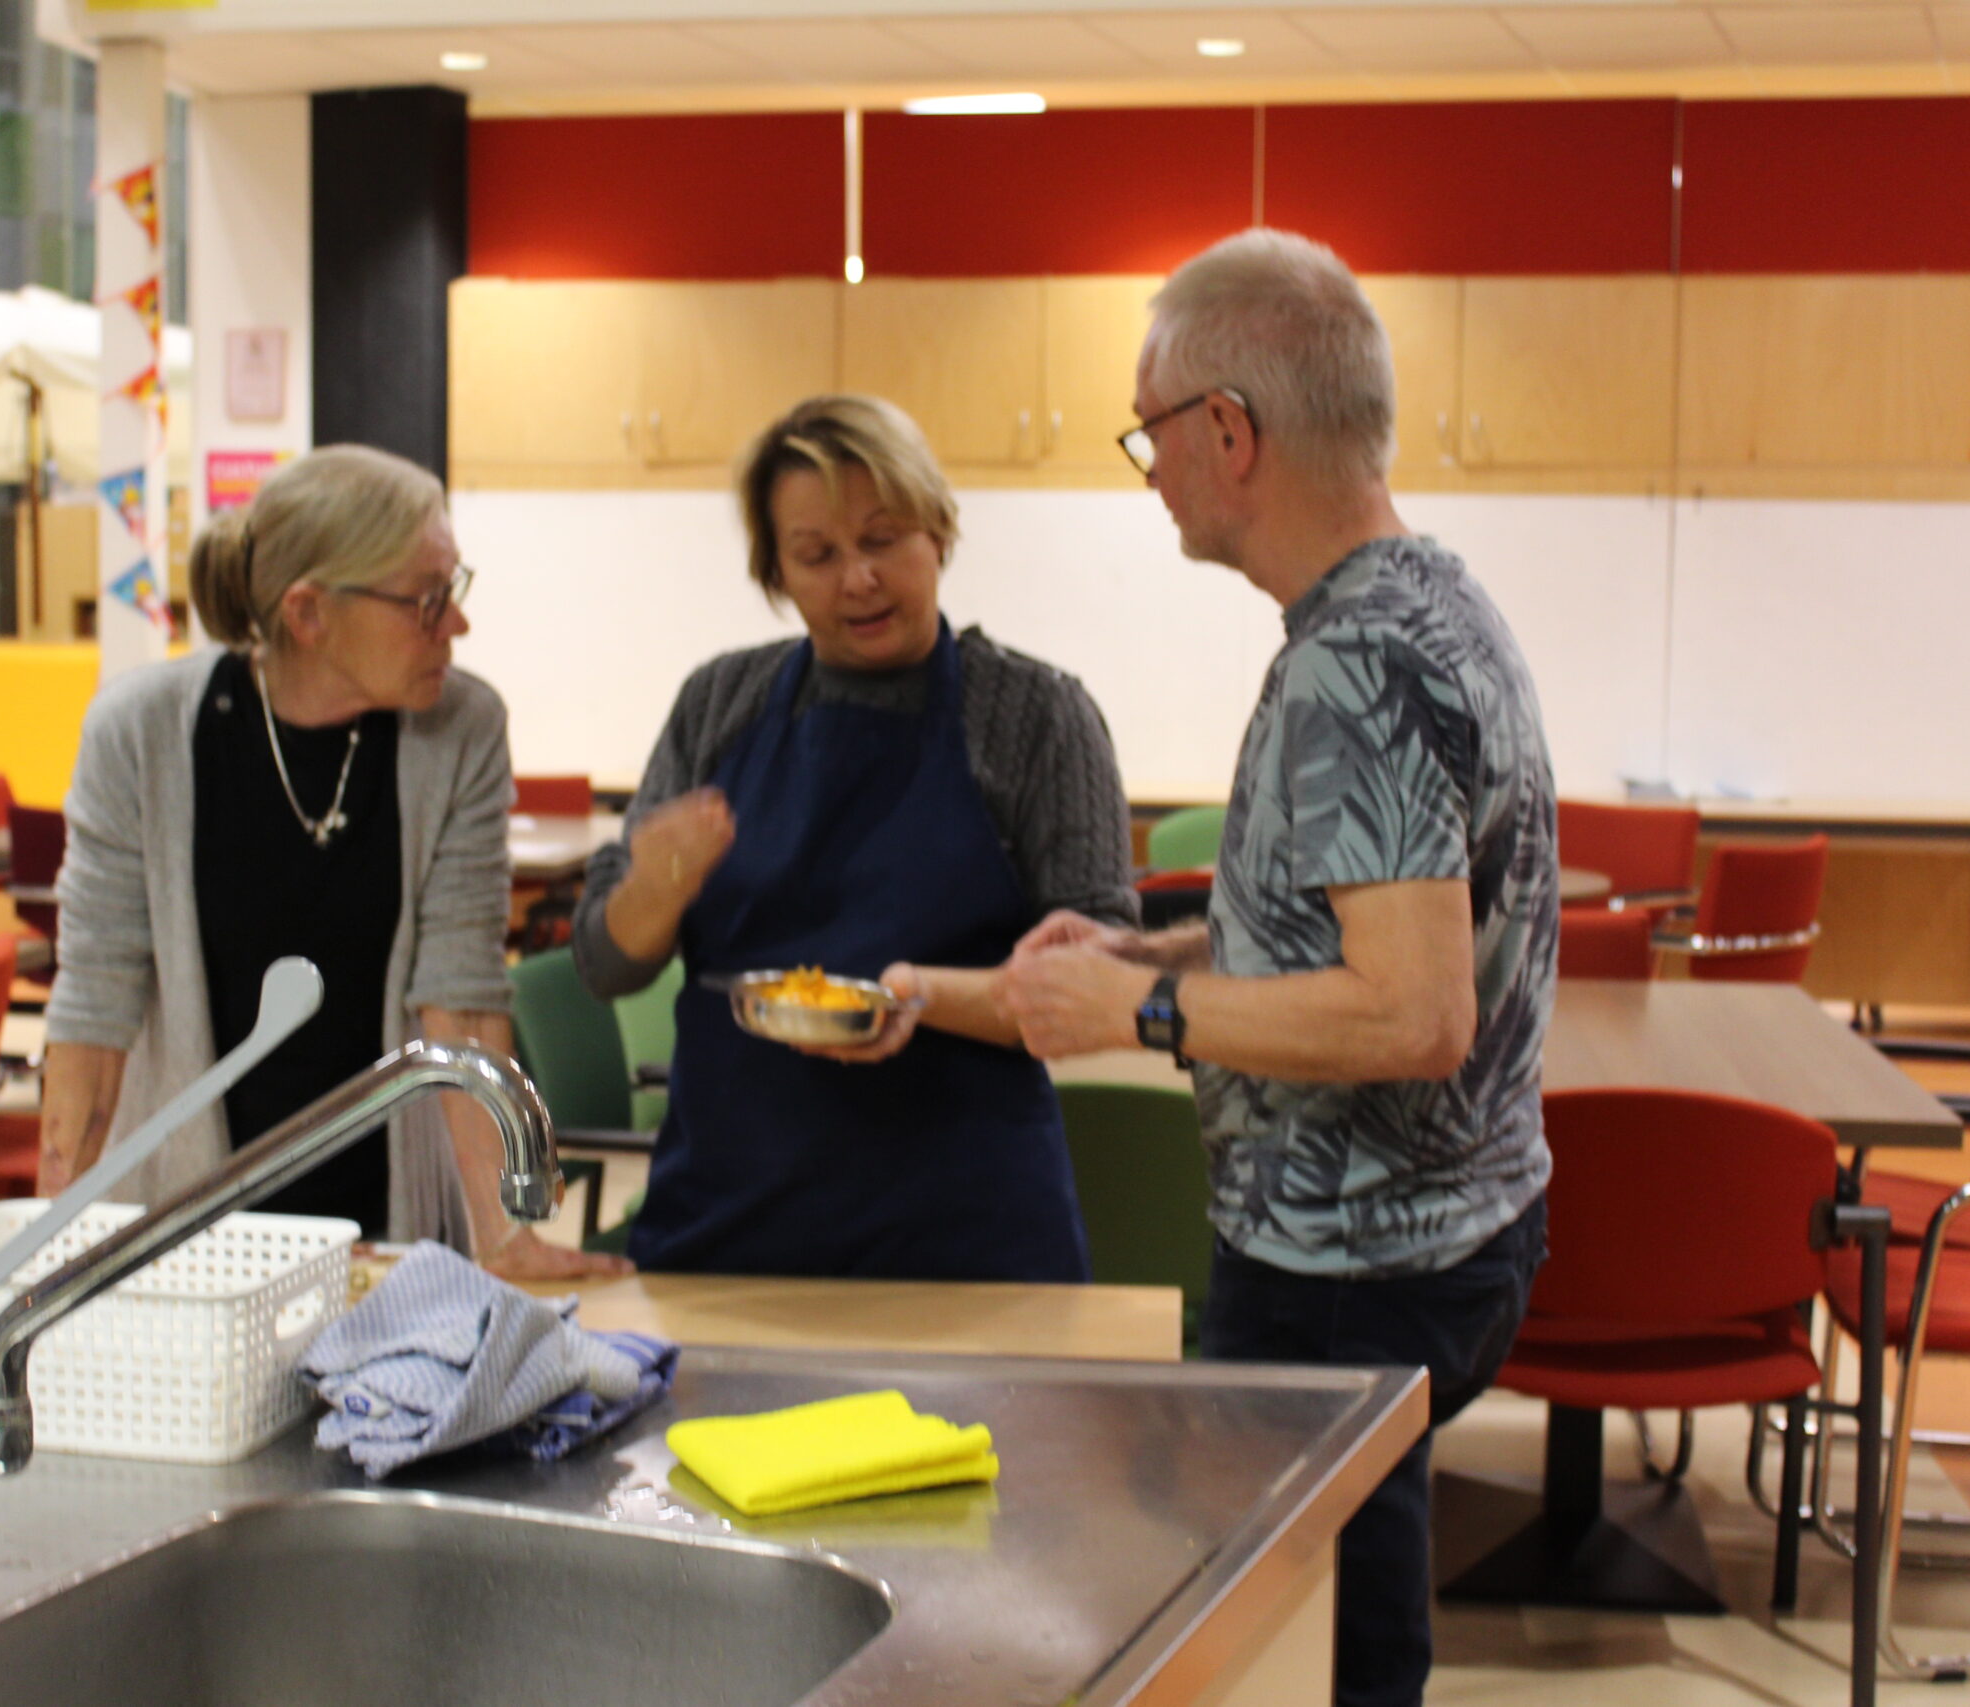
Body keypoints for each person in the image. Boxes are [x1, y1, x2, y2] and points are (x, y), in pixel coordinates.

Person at [997, 230, 1557, 1707]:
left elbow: (1414, 1012)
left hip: (1353, 1262)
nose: (1152, 473)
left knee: (1326, 1652)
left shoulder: (1348, 669)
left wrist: (1141, 1007)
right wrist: (1157, 943)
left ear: (1229, 431)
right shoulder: (1429, 602)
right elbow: (1377, 926)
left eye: (1151, 433)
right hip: (1449, 1232)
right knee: (1343, 1614)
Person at [573, 394, 1137, 1281]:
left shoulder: (1038, 716)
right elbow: (607, 966)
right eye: (818, 555)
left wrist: (916, 999)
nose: (858, 579)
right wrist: (656, 888)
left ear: (938, 532)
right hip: (729, 1225)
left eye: (883, 539)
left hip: (968, 1238)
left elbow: (1106, 983)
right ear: (777, 572)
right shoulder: (718, 703)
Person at [39, 444, 623, 1280]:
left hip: (386, 1233)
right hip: (183, 1237)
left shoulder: (460, 730)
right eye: (426, 601)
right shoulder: (139, 732)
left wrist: (504, 1236)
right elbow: (93, 1015)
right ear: (309, 614)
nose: (456, 625)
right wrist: (50, 1252)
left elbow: (461, 998)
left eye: (453, 590)